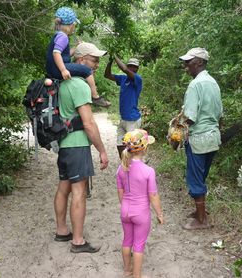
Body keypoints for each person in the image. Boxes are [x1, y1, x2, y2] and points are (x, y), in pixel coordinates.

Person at [53, 42, 109, 253]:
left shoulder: (61, 83)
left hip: (65, 145)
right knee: (78, 192)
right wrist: (102, 150)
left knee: (63, 188)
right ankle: (77, 241)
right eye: (94, 60)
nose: (96, 65)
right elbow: (88, 123)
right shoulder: (79, 85)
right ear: (81, 60)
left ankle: (62, 231)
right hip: (78, 145)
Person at [179, 47, 223, 230]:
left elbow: (190, 116)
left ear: (199, 62)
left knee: (195, 179)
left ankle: (202, 220)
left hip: (198, 139)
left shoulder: (195, 85)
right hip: (213, 138)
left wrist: (177, 131)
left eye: (188, 62)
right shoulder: (213, 82)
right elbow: (220, 115)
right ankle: (200, 212)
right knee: (201, 176)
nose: (186, 66)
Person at [116, 129, 164, 278]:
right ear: (144, 149)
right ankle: (137, 275)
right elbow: (153, 196)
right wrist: (159, 214)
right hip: (141, 213)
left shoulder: (121, 168)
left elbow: (120, 193)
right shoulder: (148, 171)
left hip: (125, 211)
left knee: (127, 241)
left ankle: (127, 270)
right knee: (138, 245)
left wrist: (125, 206)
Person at [46, 7, 111, 107]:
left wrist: (77, 47)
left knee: (84, 70)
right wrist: (63, 70)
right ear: (71, 25)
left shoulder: (58, 35)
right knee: (87, 71)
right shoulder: (63, 36)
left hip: (53, 69)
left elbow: (66, 54)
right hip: (58, 69)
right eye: (74, 25)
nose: (74, 28)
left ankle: (94, 96)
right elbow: (56, 53)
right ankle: (95, 97)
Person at [104, 56, 143, 158]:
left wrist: (114, 56)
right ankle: (124, 165)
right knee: (120, 144)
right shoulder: (123, 78)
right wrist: (110, 62)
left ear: (137, 69)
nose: (131, 68)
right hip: (123, 118)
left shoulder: (137, 79)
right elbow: (107, 75)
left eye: (134, 66)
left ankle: (135, 167)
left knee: (131, 146)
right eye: (130, 65)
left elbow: (124, 69)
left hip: (133, 119)